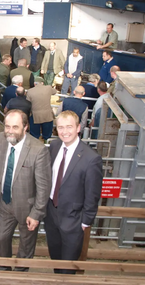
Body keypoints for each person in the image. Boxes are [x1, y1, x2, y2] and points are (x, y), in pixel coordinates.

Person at [0, 110, 50, 271]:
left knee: (26, 243)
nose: (10, 131)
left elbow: (43, 187)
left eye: (15, 127)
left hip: (28, 208)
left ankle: (21, 271)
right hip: (4, 203)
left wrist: (36, 214)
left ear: (25, 127)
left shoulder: (38, 150)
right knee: (1, 237)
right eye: (7, 126)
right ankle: (5, 265)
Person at [44, 110, 103, 274]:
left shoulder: (91, 158)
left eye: (69, 127)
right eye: (60, 127)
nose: (64, 132)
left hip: (74, 220)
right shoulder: (54, 146)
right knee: (55, 259)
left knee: (68, 267)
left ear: (78, 128)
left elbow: (93, 193)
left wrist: (85, 221)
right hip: (51, 215)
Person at [27, 77, 57, 141]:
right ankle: (47, 145)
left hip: (35, 116)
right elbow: (55, 91)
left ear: (34, 83)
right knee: (47, 135)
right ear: (42, 83)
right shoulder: (48, 88)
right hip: (47, 115)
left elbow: (28, 102)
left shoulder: (30, 91)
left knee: (34, 136)